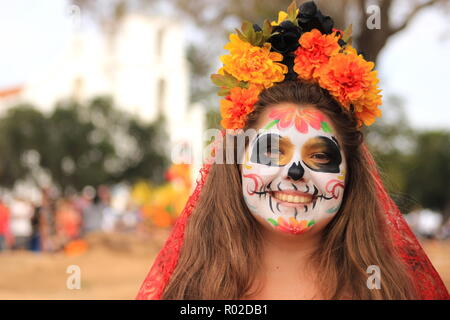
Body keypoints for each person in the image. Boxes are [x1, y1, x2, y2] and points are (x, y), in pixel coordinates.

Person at [136, 1, 449, 300]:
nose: (295, 171)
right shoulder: (192, 292)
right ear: (237, 162)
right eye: (272, 152)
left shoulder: (387, 291)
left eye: (320, 156)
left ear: (350, 171)